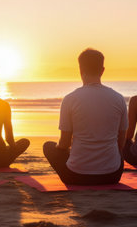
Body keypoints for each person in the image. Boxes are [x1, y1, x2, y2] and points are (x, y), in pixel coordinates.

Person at [43, 48, 127, 185]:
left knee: (48, 146)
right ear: (102, 70)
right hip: (112, 175)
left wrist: (64, 149)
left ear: (80, 70)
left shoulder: (70, 99)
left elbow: (64, 143)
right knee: (117, 151)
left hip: (76, 176)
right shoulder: (118, 99)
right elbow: (121, 141)